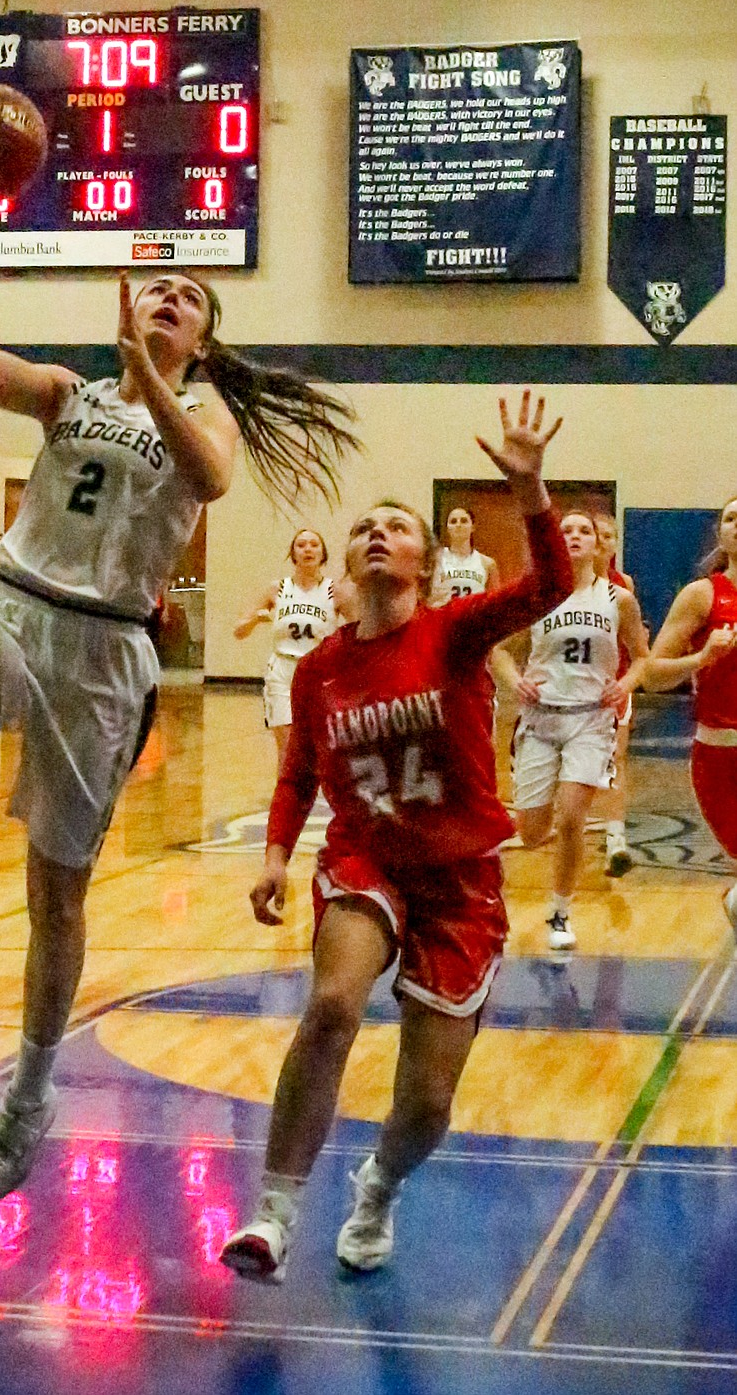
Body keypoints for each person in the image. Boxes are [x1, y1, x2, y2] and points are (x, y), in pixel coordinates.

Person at [0, 140, 361, 1218]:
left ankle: (29, 1097)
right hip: (15, 604)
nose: (166, 297)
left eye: (187, 299)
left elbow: (212, 478)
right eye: (157, 286)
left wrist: (159, 380)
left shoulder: (200, 417)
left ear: (204, 341)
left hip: (106, 651)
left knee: (53, 893)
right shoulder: (70, 395)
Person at [219, 394, 571, 1285]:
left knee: (426, 1100)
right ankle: (275, 1210)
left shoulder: (452, 634)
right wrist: (272, 851)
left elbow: (549, 589)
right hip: (365, 858)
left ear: (421, 558)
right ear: (345, 559)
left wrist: (530, 492)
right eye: (364, 526)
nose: (378, 534)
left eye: (396, 526)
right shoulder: (321, 668)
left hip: (459, 874)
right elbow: (300, 770)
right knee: (333, 1001)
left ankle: (377, 1183)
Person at [501, 512, 647, 952]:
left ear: (600, 545)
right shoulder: (535, 597)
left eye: (585, 530)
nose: (576, 537)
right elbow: (499, 652)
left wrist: (624, 683)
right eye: (567, 530)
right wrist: (515, 682)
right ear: (554, 542)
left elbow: (642, 656)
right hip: (540, 719)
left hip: (590, 719)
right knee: (531, 831)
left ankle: (561, 910)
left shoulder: (619, 600)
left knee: (571, 818)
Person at [645, 498, 737, 929]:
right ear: (721, 533)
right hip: (721, 758)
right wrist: (702, 658)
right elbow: (653, 675)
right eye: (731, 518)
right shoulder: (703, 595)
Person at [234, 529, 351, 774]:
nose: (308, 549)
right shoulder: (277, 589)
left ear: (323, 554)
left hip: (320, 673)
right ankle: (285, 803)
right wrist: (255, 620)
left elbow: (361, 627)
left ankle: (322, 799)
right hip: (283, 670)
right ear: (293, 554)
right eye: (301, 545)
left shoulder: (334, 591)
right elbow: (238, 631)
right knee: (287, 747)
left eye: (314, 545)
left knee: (322, 745)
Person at [593, 512, 645, 876]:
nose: (605, 542)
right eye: (600, 535)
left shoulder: (623, 585)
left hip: (614, 686)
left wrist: (627, 683)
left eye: (611, 536)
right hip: (569, 691)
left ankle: (615, 838)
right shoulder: (562, 584)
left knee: (615, 762)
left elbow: (635, 644)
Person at [433, 506, 501, 601]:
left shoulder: (487, 563)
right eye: (453, 521)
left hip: (474, 615)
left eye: (464, 521)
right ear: (447, 528)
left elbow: (495, 602)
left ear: (473, 527)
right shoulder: (435, 559)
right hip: (444, 613)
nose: (458, 525)